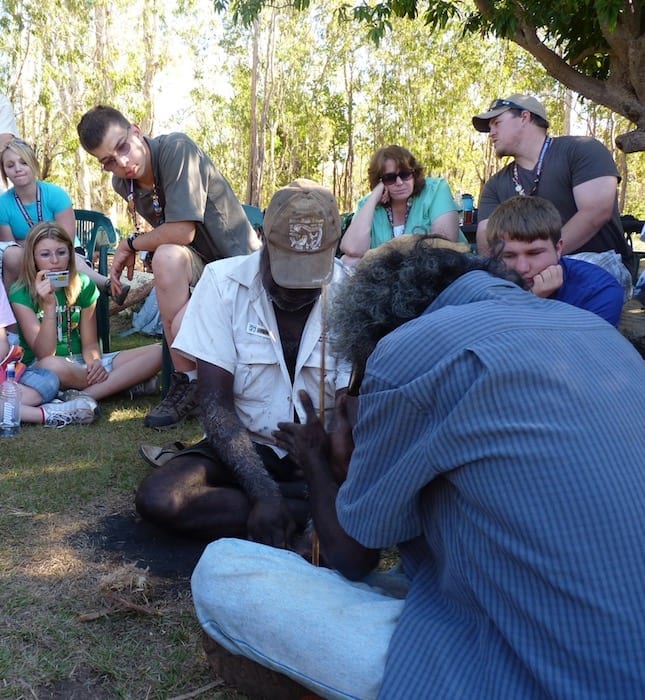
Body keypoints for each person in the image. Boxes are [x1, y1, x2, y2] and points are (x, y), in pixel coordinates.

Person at [191, 235, 645, 699]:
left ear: (375, 321)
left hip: (530, 673)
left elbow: (352, 556)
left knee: (224, 569)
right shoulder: (599, 333)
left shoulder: (407, 346)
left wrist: (321, 462)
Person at [135, 179, 350, 547]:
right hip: (244, 449)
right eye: (286, 275)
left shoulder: (353, 292)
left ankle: (306, 510)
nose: (295, 292)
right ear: (263, 240)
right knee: (159, 497)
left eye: (309, 277)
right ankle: (304, 512)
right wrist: (262, 493)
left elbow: (352, 413)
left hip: (321, 456)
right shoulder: (221, 283)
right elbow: (215, 405)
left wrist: (325, 461)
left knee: (357, 480)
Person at [77, 105, 261, 429]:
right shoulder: (124, 185)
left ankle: (205, 385)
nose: (120, 163)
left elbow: (181, 230)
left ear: (136, 131)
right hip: (201, 270)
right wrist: (143, 245)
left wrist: (130, 244)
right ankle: (186, 382)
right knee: (165, 257)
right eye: (107, 160)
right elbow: (172, 239)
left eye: (122, 146)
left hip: (241, 270)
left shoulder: (176, 149)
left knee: (181, 324)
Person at [472, 94, 632, 275]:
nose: (491, 133)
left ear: (524, 117)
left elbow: (596, 212)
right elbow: (486, 240)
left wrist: (542, 262)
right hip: (525, 274)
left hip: (596, 266)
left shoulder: (582, 149)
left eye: (497, 123)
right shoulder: (495, 184)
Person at [9, 222, 161, 403]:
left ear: (70, 255)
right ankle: (119, 384)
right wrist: (49, 306)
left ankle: (84, 395)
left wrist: (94, 362)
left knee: (158, 352)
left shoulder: (83, 284)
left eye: (61, 252)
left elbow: (90, 344)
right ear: (32, 258)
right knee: (53, 365)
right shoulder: (21, 293)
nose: (55, 260)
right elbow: (44, 354)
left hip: (82, 364)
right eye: (45, 254)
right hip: (43, 367)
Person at [0, 138, 124, 302]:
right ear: (4, 171)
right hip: (27, 258)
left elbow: (66, 239)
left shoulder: (55, 194)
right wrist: (34, 250)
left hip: (65, 250)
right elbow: (10, 248)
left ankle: (107, 286)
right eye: (10, 165)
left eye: (23, 162)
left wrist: (27, 241)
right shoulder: (3, 204)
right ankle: (11, 322)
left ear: (33, 164)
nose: (18, 169)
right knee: (11, 256)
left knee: (62, 254)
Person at [486, 195, 625, 326]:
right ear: (493, 255)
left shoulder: (598, 292)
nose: (522, 268)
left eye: (534, 253)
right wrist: (532, 299)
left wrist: (533, 303)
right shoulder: (479, 283)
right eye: (509, 256)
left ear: (558, 249)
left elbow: (582, 349)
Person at [1, 276, 99, 427]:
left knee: (48, 382)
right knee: (12, 397)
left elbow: (2, 345)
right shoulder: (21, 292)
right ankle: (49, 414)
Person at [339, 144, 461, 266]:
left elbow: (444, 243)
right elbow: (351, 249)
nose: (399, 182)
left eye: (405, 174)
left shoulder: (436, 189)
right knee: (348, 261)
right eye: (389, 178)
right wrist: (375, 196)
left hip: (433, 270)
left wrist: (386, 251)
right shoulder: (368, 204)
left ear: (414, 174)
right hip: (388, 275)